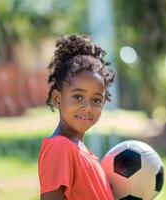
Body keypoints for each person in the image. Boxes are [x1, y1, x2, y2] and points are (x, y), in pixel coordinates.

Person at [38, 34, 115, 200]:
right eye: (78, 97)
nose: (87, 107)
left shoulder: (81, 151)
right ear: (57, 98)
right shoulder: (60, 148)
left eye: (96, 100)